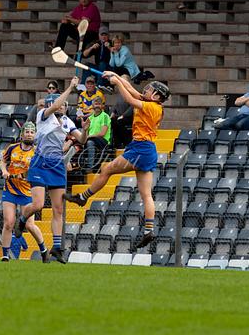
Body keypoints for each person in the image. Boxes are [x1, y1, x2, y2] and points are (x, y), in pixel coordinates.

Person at [64, 73, 171, 249]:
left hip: (140, 149)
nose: (146, 90)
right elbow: (131, 90)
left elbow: (129, 98)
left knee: (107, 169)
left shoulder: (151, 107)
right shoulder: (150, 103)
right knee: (146, 194)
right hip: (146, 150)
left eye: (150, 89)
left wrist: (117, 84)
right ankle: (148, 230)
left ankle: (83, 197)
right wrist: (116, 77)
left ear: (157, 96)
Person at [15, 76, 88, 264]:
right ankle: (22, 220)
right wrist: (70, 87)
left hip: (57, 166)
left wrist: (86, 129)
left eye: (64, 105)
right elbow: (55, 105)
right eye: (60, 104)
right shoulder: (43, 115)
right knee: (38, 205)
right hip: (40, 163)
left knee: (58, 209)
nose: (62, 106)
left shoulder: (67, 122)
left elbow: (82, 140)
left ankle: (56, 247)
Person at [0, 121, 49, 263]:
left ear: (35, 135)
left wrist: (24, 175)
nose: (29, 134)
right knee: (8, 223)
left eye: (32, 132)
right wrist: (4, 171)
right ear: (22, 134)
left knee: (29, 225)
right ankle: (5, 255)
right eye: (27, 132)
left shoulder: (37, 152)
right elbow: (3, 161)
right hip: (10, 189)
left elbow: (38, 170)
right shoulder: (12, 148)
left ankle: (44, 250)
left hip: (27, 191)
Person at [82, 97, 111, 172]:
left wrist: (88, 137)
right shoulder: (90, 118)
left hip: (103, 141)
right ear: (92, 106)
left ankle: (90, 166)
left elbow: (102, 133)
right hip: (91, 139)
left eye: (99, 104)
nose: (97, 106)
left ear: (102, 106)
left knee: (90, 142)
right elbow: (86, 132)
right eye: (96, 104)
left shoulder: (105, 116)